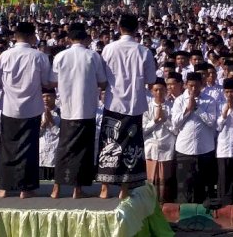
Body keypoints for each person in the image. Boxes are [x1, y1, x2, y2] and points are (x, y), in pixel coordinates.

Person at [97, 14, 157, 199]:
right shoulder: (143, 51)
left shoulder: (108, 49)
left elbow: (102, 79)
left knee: (109, 144)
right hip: (133, 105)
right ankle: (124, 189)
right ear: (137, 27)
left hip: (113, 103)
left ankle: (105, 187)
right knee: (131, 147)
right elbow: (151, 80)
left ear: (118, 26)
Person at [49, 23, 107, 199]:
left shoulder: (60, 56)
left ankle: (57, 188)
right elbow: (102, 82)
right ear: (86, 39)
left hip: (67, 108)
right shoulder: (92, 56)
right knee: (83, 150)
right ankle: (77, 190)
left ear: (69, 39)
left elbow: (52, 82)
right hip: (87, 109)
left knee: (64, 149)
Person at [0, 22, 51, 199]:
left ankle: (5, 187)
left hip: (10, 107)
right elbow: (46, 82)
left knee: (8, 148)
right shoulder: (39, 56)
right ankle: (26, 189)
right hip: (31, 107)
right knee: (29, 149)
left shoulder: (5, 55)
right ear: (30, 36)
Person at [171, 72, 217, 204]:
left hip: (205, 149)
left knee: (203, 185)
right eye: (190, 86)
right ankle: (184, 215)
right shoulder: (179, 100)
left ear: (202, 85)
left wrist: (196, 108)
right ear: (185, 85)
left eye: (196, 86)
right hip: (184, 149)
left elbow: (211, 121)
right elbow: (175, 123)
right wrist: (187, 110)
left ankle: (203, 216)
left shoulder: (209, 100)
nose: (193, 89)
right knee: (184, 186)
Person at [143, 78, 177, 202]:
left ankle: (165, 206)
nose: (159, 93)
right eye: (156, 90)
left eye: (161, 90)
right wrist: (155, 121)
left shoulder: (172, 106)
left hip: (167, 148)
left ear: (166, 90)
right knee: (151, 180)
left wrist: (165, 120)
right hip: (151, 148)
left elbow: (176, 129)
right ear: (152, 91)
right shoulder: (146, 108)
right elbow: (143, 130)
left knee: (165, 181)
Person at [38, 88, 59, 181]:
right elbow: (35, 135)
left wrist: (51, 123)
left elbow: (63, 135)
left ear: (55, 97)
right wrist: (43, 124)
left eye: (49, 96)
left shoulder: (61, 113)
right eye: (43, 96)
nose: (46, 99)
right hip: (41, 153)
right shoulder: (38, 112)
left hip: (55, 153)